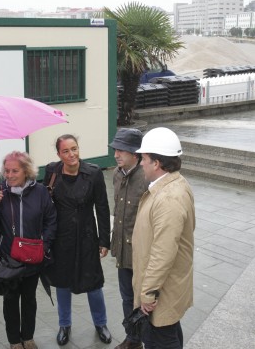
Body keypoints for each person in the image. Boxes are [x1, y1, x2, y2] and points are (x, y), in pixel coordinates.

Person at [43, 134, 112, 346]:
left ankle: (101, 323)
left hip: (87, 237)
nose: (71, 154)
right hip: (61, 239)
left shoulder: (93, 173)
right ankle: (65, 325)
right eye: (66, 151)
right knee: (62, 283)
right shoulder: (52, 172)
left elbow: (102, 208)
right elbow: (45, 205)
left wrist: (104, 240)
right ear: (58, 154)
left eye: (74, 149)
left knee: (93, 283)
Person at [0, 151, 57, 349]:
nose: (9, 175)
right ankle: (14, 341)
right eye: (6, 171)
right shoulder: (0, 192)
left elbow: (51, 220)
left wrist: (45, 245)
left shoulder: (41, 192)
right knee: (10, 300)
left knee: (29, 299)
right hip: (9, 258)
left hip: (33, 256)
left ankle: (28, 337)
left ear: (26, 171)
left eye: (14, 171)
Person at [132, 127, 195, 349]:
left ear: (157, 163)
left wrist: (148, 292)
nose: (140, 163)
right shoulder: (173, 185)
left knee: (160, 338)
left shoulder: (168, 197)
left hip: (161, 291)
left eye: (144, 158)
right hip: (165, 287)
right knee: (169, 331)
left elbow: (163, 252)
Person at [109, 129, 148, 349]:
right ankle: (132, 339)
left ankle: (145, 340)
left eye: (122, 150)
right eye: (115, 149)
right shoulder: (117, 173)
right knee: (126, 298)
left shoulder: (146, 177)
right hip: (123, 251)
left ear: (136, 153)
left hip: (141, 253)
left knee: (143, 300)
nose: (116, 154)